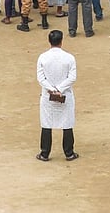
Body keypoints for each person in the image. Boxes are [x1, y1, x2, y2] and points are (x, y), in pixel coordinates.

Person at [36, 29, 79, 161]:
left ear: (49, 41)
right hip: (65, 94)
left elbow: (40, 78)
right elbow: (72, 78)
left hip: (47, 95)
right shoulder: (69, 58)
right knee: (67, 123)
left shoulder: (43, 57)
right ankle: (69, 153)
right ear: (61, 41)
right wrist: (60, 89)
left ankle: (44, 153)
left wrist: (51, 89)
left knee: (46, 123)